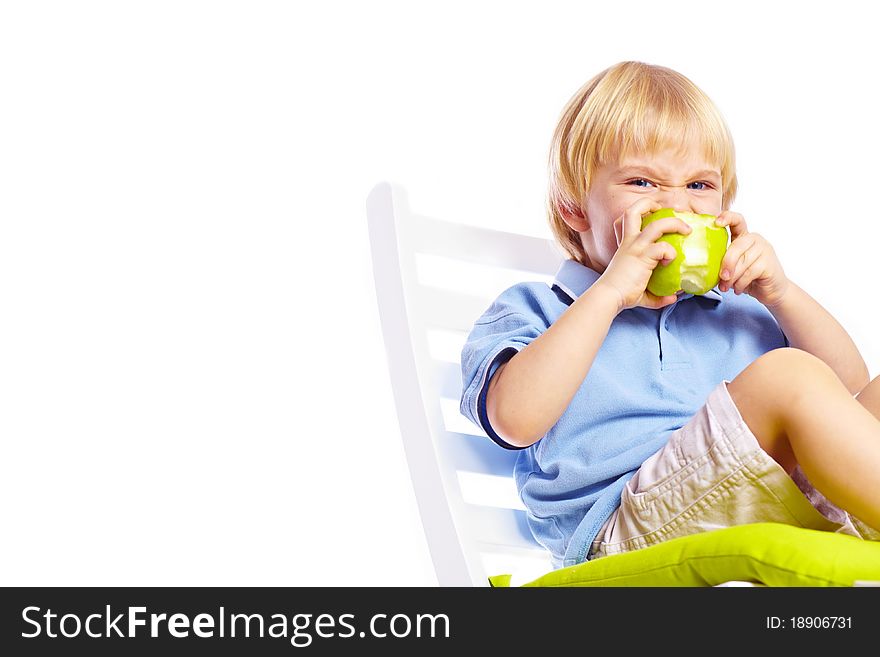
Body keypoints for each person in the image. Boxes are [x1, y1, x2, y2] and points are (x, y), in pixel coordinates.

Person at [459, 61, 880, 569]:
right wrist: (612, 291)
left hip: (769, 497)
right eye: (641, 182)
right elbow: (515, 422)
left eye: (700, 186)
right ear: (574, 207)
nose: (677, 206)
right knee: (789, 376)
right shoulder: (540, 310)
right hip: (628, 526)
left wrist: (781, 293)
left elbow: (851, 390)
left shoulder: (735, 310)